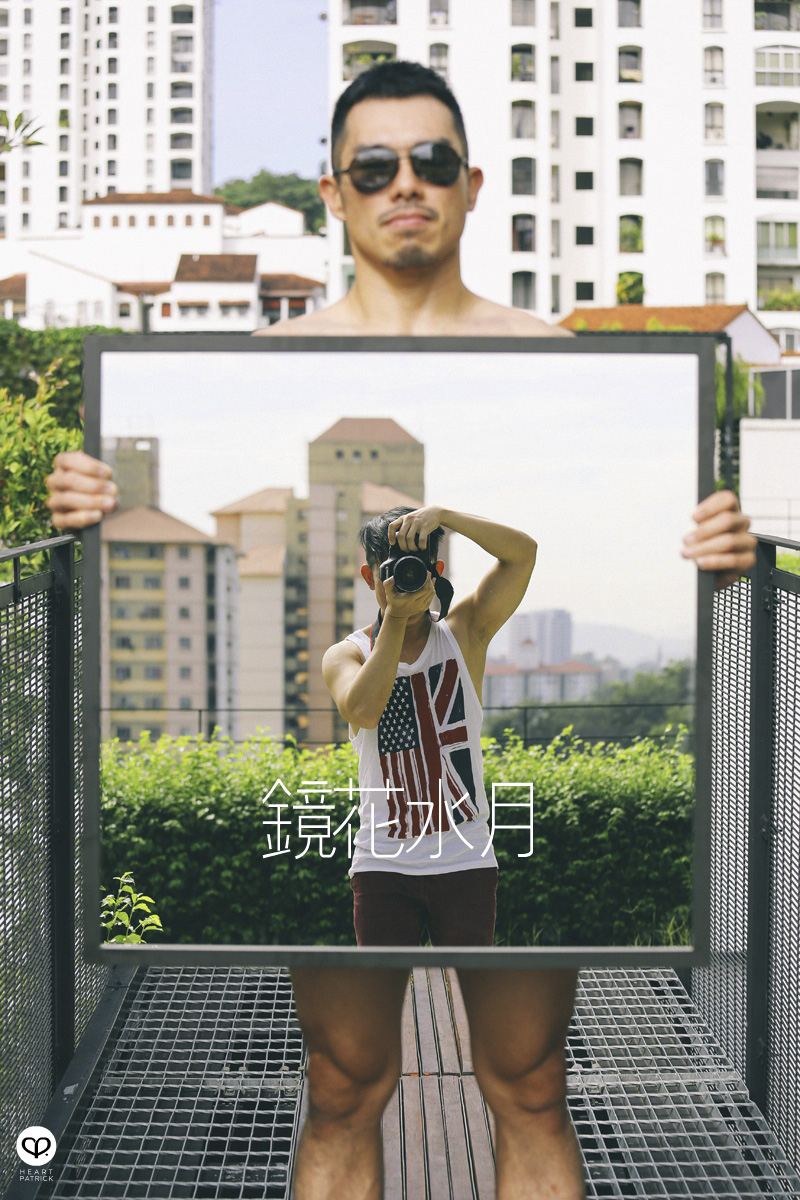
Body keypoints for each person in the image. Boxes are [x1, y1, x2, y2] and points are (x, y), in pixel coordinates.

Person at [47, 61, 756, 1200]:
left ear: (471, 184)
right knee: (339, 1084)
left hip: (473, 854)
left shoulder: (546, 364)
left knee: (528, 1085)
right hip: (384, 864)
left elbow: (526, 554)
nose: (404, 185)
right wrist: (82, 504)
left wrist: (718, 544)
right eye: (374, 166)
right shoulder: (340, 574)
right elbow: (358, 707)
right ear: (334, 191)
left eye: (431, 162)